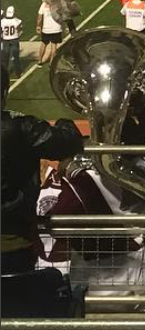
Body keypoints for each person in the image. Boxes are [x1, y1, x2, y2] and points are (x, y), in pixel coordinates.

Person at [1, 66, 85, 274]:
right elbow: (68, 141)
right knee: (19, 303)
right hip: (13, 241)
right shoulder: (21, 127)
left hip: (15, 239)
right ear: (4, 92)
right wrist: (64, 120)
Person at [1, 7, 23, 77]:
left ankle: (4, 73)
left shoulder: (2, 21)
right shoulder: (17, 21)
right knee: (16, 57)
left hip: (5, 40)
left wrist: (3, 36)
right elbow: (21, 30)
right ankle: (18, 73)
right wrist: (17, 35)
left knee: (5, 58)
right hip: (14, 39)